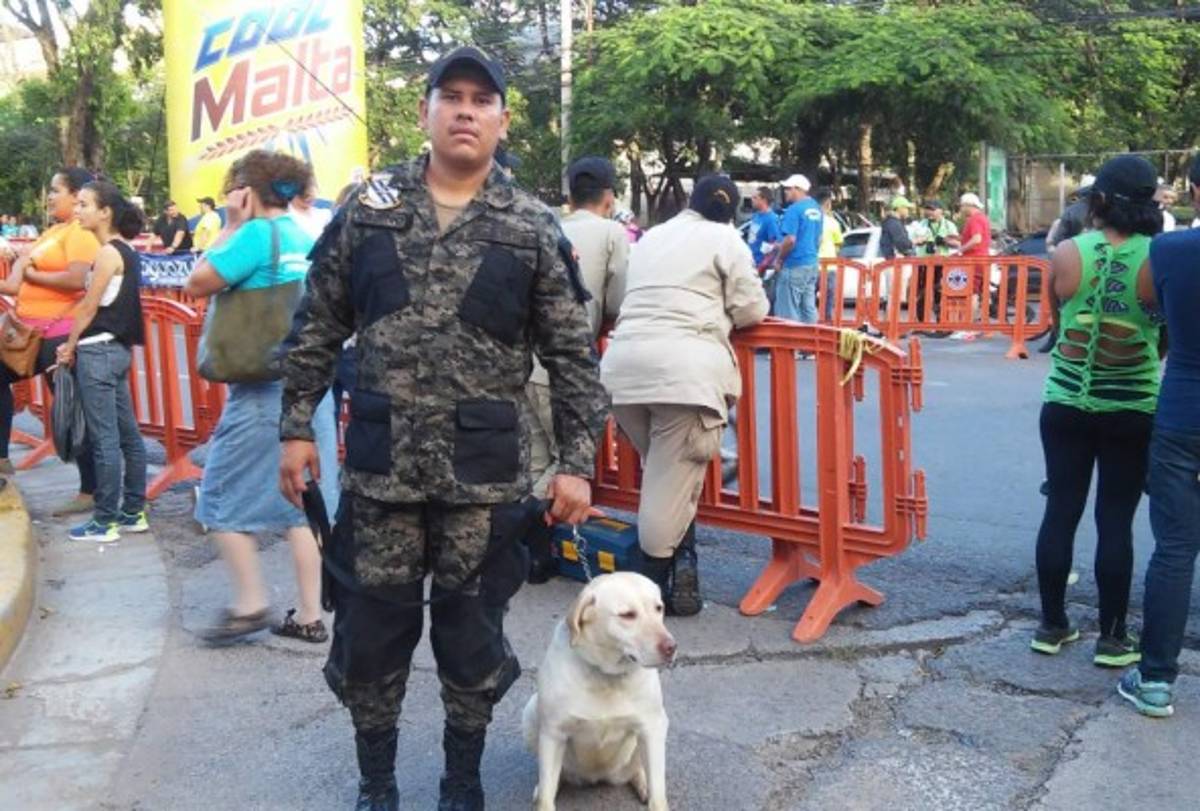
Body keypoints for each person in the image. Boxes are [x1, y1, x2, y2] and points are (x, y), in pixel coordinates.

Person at [276, 47, 607, 811]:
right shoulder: (370, 208)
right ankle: (377, 784)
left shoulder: (527, 226)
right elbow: (318, 323)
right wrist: (296, 426)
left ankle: (463, 781)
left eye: (480, 100)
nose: (464, 110)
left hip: (483, 481)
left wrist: (576, 463)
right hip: (380, 471)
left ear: (501, 120)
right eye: (449, 96)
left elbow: (571, 356)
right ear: (425, 111)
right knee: (372, 641)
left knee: (471, 640)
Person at [182, 150, 342, 646]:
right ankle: (312, 614)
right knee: (304, 501)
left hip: (261, 389)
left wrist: (230, 223)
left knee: (219, 496)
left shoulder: (254, 235)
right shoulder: (306, 233)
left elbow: (196, 282)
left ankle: (249, 603)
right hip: (311, 387)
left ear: (247, 190)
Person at [600, 174, 769, 617]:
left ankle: (682, 567)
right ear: (731, 212)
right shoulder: (725, 238)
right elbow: (752, 308)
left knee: (666, 480)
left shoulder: (653, 236)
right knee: (664, 498)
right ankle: (639, 601)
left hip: (623, 370)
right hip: (685, 376)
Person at [1031, 154, 1164, 668]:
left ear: (1100, 202)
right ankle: (1112, 638)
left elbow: (1059, 329)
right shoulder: (1160, 257)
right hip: (1131, 407)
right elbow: (1163, 337)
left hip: (1064, 403)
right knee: (1115, 520)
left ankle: (1052, 626)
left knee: (1060, 510)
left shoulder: (1065, 252)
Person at [1117, 156, 1200, 718]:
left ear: (1194, 189)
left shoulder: (1167, 250)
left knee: (1175, 548)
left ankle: (1154, 682)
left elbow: (1149, 306)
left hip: (1181, 417)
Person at [525, 155, 628, 582]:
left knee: (534, 457)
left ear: (569, 195)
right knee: (567, 462)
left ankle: (534, 556)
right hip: (569, 363)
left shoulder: (545, 226)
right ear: (610, 196)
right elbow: (620, 298)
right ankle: (527, 532)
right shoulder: (611, 233)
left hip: (526, 362)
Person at [54, 181, 148, 543]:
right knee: (127, 434)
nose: (78, 211)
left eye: (84, 204)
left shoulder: (108, 254)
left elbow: (89, 306)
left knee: (105, 437)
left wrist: (69, 345)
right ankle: (132, 511)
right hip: (116, 351)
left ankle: (104, 520)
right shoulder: (126, 251)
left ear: (105, 212)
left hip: (98, 351)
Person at [0, 167, 98, 511]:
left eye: (57, 190)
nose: (50, 197)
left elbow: (75, 280)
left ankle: (90, 492)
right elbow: (14, 284)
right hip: (27, 334)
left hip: (59, 336)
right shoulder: (50, 232)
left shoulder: (80, 232)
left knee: (71, 409)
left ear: (77, 196)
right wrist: (24, 272)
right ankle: (2, 459)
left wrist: (32, 272)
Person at [774, 173, 823, 323]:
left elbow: (790, 240)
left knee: (787, 311)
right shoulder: (816, 208)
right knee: (808, 308)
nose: (786, 192)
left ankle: (791, 346)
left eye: (788, 189)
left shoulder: (794, 210)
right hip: (811, 263)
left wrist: (779, 259)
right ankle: (812, 344)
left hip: (794, 264)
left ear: (798, 189)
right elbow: (819, 238)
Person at [910, 199, 959, 323]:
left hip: (942, 263)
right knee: (921, 292)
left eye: (932, 209)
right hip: (924, 263)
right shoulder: (921, 224)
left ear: (941, 211)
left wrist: (944, 241)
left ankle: (941, 321)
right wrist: (922, 241)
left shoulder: (949, 225)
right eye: (927, 209)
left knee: (940, 292)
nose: (929, 212)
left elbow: (957, 243)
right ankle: (921, 322)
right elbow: (912, 241)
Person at [815, 188, 843, 321]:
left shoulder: (811, 220)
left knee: (807, 298)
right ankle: (826, 323)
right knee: (828, 299)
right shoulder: (833, 223)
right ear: (828, 203)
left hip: (812, 264)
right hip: (829, 266)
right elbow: (838, 244)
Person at [747, 185, 782, 269]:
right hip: (751, 263)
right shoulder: (756, 215)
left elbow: (775, 245)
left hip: (761, 266)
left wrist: (762, 266)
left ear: (764, 200)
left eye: (755, 197)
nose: (752, 199)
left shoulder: (771, 219)